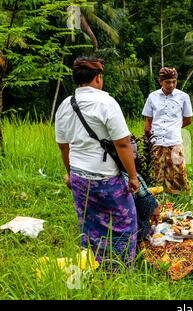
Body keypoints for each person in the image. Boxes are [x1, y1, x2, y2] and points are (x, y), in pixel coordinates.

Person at [55, 56, 139, 271]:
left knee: (89, 223)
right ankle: (120, 270)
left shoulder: (65, 105)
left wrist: (69, 174)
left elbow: (63, 146)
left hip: (79, 177)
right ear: (98, 78)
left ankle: (92, 265)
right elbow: (122, 144)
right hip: (105, 178)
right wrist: (132, 176)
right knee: (124, 223)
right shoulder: (106, 103)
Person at [142, 67, 193, 195]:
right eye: (168, 82)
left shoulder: (183, 97)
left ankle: (180, 196)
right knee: (157, 171)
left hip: (174, 141)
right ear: (161, 82)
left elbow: (188, 119)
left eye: (174, 82)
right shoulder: (152, 97)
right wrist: (147, 134)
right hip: (156, 140)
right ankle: (158, 197)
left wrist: (174, 127)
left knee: (178, 171)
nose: (171, 85)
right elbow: (148, 119)